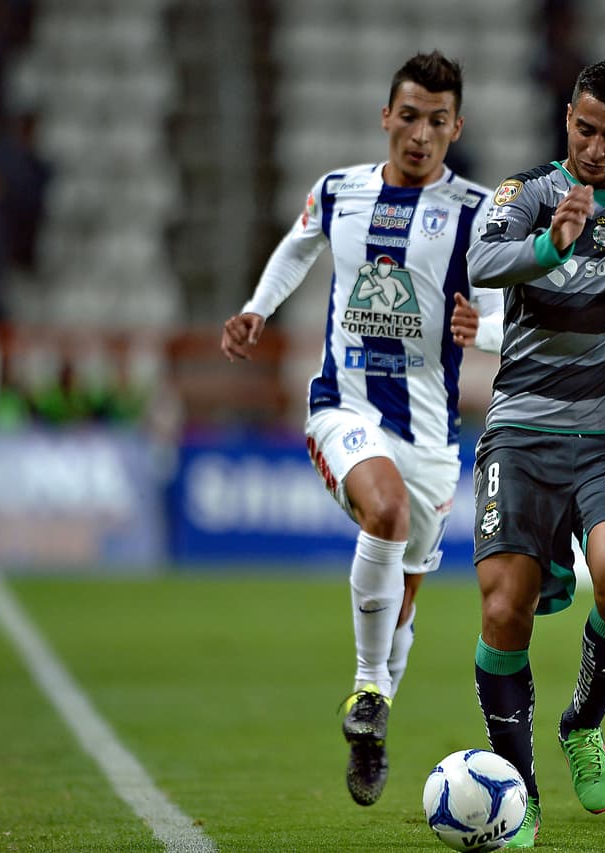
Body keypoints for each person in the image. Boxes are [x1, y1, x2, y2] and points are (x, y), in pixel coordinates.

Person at [220, 51, 503, 809]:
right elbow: (298, 244)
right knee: (384, 510)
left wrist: (490, 327)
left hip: (433, 432)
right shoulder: (338, 191)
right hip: (344, 406)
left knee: (405, 596)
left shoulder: (476, 212)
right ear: (386, 116)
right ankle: (368, 686)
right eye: (408, 116)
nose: (419, 134)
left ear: (456, 128)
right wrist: (258, 308)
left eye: (436, 121)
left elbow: (520, 307)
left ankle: (372, 726)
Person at [461, 57, 605, 848]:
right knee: (503, 605)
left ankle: (582, 724)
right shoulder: (525, 194)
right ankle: (515, 791)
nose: (597, 149)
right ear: (569, 119)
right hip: (524, 428)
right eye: (586, 129)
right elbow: (481, 262)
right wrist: (554, 244)